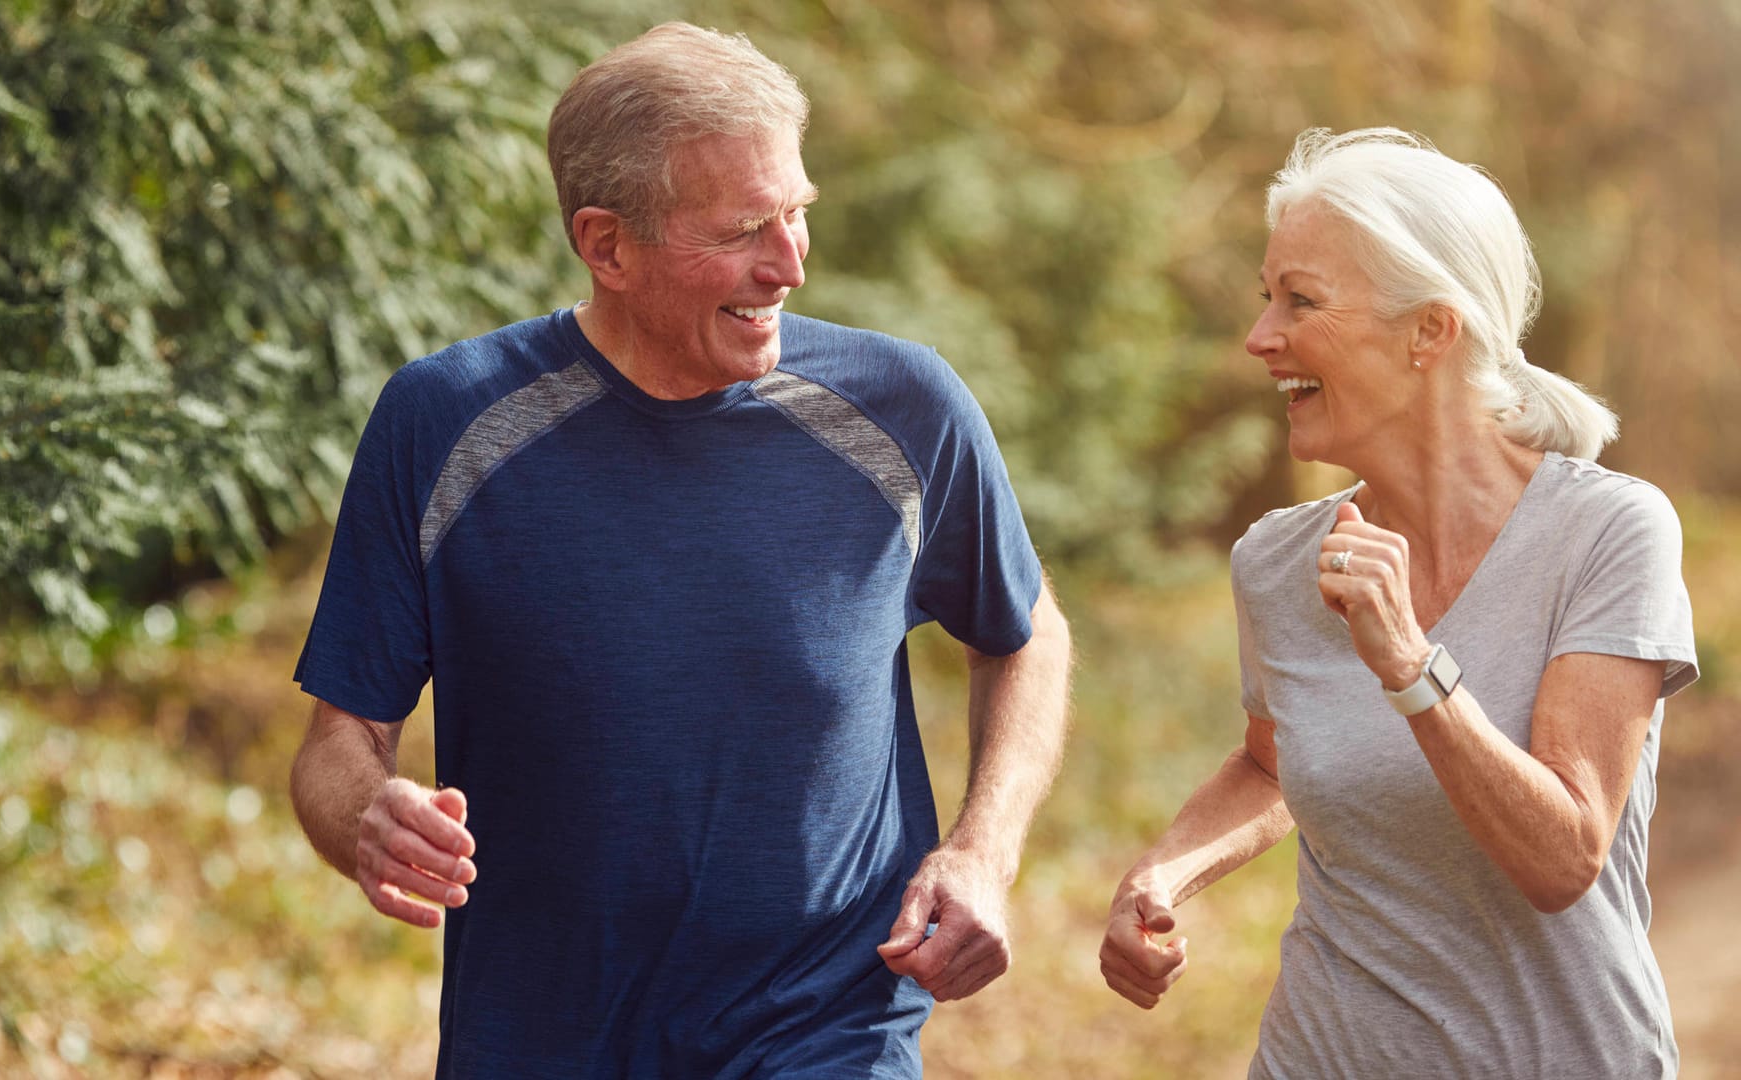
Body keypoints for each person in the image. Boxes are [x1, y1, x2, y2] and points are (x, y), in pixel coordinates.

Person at [288, 22, 1071, 1078]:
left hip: (826, 1027)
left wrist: (982, 851)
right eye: (746, 227)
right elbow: (340, 742)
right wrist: (366, 822)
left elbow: (1024, 635)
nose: (790, 263)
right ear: (606, 245)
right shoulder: (446, 422)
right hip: (538, 1039)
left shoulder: (905, 411)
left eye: (797, 212)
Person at [1098, 127, 1697, 1078]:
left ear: (1431, 329)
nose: (1260, 338)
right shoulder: (1276, 561)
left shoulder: (1608, 533)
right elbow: (1272, 764)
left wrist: (1415, 670)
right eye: (1267, 299)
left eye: (1303, 301)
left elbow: (1564, 858)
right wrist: (1163, 871)